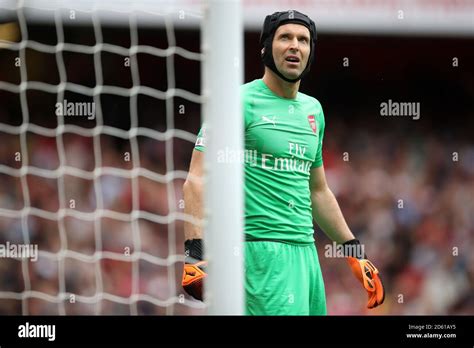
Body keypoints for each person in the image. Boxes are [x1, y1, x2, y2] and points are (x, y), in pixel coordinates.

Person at [181, 10, 384, 315]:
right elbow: (197, 178)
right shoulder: (237, 101)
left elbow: (317, 191)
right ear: (266, 48)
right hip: (260, 255)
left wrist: (355, 251)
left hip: (306, 258)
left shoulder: (313, 110)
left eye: (303, 40)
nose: (295, 46)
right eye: (285, 37)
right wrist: (194, 253)